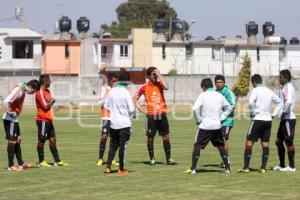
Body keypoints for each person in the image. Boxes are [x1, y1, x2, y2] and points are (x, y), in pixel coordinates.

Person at [184, 78, 232, 174]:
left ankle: (193, 169)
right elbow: (229, 108)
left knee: (197, 145)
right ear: (212, 85)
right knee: (221, 146)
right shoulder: (219, 95)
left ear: (203, 87)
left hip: (205, 126)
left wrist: (198, 120)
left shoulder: (202, 95)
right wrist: (222, 118)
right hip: (217, 125)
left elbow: (195, 109)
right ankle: (227, 168)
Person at [238, 74, 283, 173]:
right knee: (265, 144)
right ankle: (263, 168)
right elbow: (280, 103)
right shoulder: (269, 91)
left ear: (253, 82)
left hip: (257, 120)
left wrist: (252, 113)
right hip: (268, 121)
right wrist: (274, 114)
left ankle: (246, 167)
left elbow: (250, 103)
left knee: (249, 142)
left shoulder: (255, 90)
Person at [134, 67, 176, 165]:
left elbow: (167, 87)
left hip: (162, 114)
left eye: (156, 74)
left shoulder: (160, 84)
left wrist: (159, 75)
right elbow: (134, 99)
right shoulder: (144, 87)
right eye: (154, 74)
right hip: (151, 117)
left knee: (166, 137)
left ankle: (168, 159)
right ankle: (152, 159)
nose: (155, 75)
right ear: (148, 76)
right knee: (150, 138)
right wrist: (141, 109)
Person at [3, 80, 40, 172]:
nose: (33, 93)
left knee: (18, 140)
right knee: (12, 141)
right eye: (34, 91)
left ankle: (21, 163)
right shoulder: (19, 90)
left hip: (14, 119)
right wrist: (10, 112)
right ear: (30, 86)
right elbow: (6, 101)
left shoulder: (22, 89)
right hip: (9, 119)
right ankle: (10, 165)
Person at [103, 71, 135, 175]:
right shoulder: (126, 92)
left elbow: (106, 106)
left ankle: (108, 167)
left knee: (113, 145)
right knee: (122, 146)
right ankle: (121, 169)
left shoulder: (112, 91)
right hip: (124, 124)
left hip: (113, 124)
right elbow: (131, 109)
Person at [35, 74, 68, 167]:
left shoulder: (47, 91)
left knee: (53, 140)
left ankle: (57, 160)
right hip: (42, 119)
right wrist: (52, 101)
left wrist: (59, 107)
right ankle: (41, 161)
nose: (50, 82)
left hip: (48, 120)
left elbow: (50, 107)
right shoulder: (39, 93)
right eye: (49, 80)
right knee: (41, 140)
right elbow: (45, 106)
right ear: (45, 81)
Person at [273, 69, 297, 172]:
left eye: (280, 77)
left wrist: (283, 112)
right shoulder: (284, 87)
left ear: (285, 78)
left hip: (289, 119)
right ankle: (282, 165)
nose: (279, 78)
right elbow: (282, 103)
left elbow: (288, 102)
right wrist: (274, 114)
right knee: (278, 141)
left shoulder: (288, 87)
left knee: (288, 141)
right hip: (284, 119)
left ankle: (291, 167)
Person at [96, 73, 119, 167]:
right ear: (109, 81)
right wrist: (108, 95)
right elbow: (99, 101)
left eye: (116, 81)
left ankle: (112, 159)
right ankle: (100, 159)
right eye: (114, 81)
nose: (115, 83)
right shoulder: (103, 89)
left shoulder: (117, 90)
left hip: (115, 117)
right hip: (106, 116)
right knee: (104, 137)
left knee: (114, 139)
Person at [214, 75, 236, 166]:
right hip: (217, 120)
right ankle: (224, 160)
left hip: (227, 120)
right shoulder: (215, 93)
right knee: (219, 141)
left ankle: (227, 161)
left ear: (224, 82)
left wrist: (223, 115)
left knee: (223, 139)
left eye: (221, 82)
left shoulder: (228, 92)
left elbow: (232, 105)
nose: (219, 84)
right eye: (217, 82)